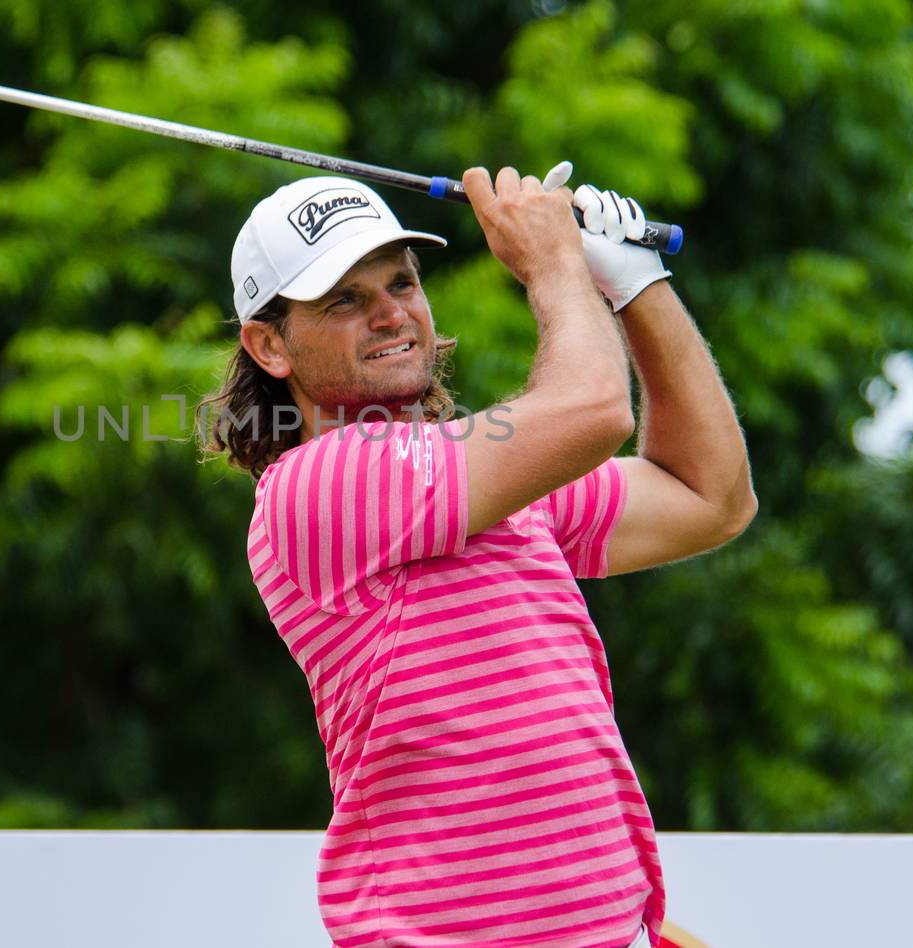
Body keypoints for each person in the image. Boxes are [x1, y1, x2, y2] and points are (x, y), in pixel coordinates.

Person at [197, 162, 756, 948]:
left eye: (401, 283)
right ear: (269, 345)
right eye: (346, 301)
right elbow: (596, 411)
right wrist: (556, 258)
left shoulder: (493, 487)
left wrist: (636, 284)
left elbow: (711, 496)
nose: (391, 314)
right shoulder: (316, 486)